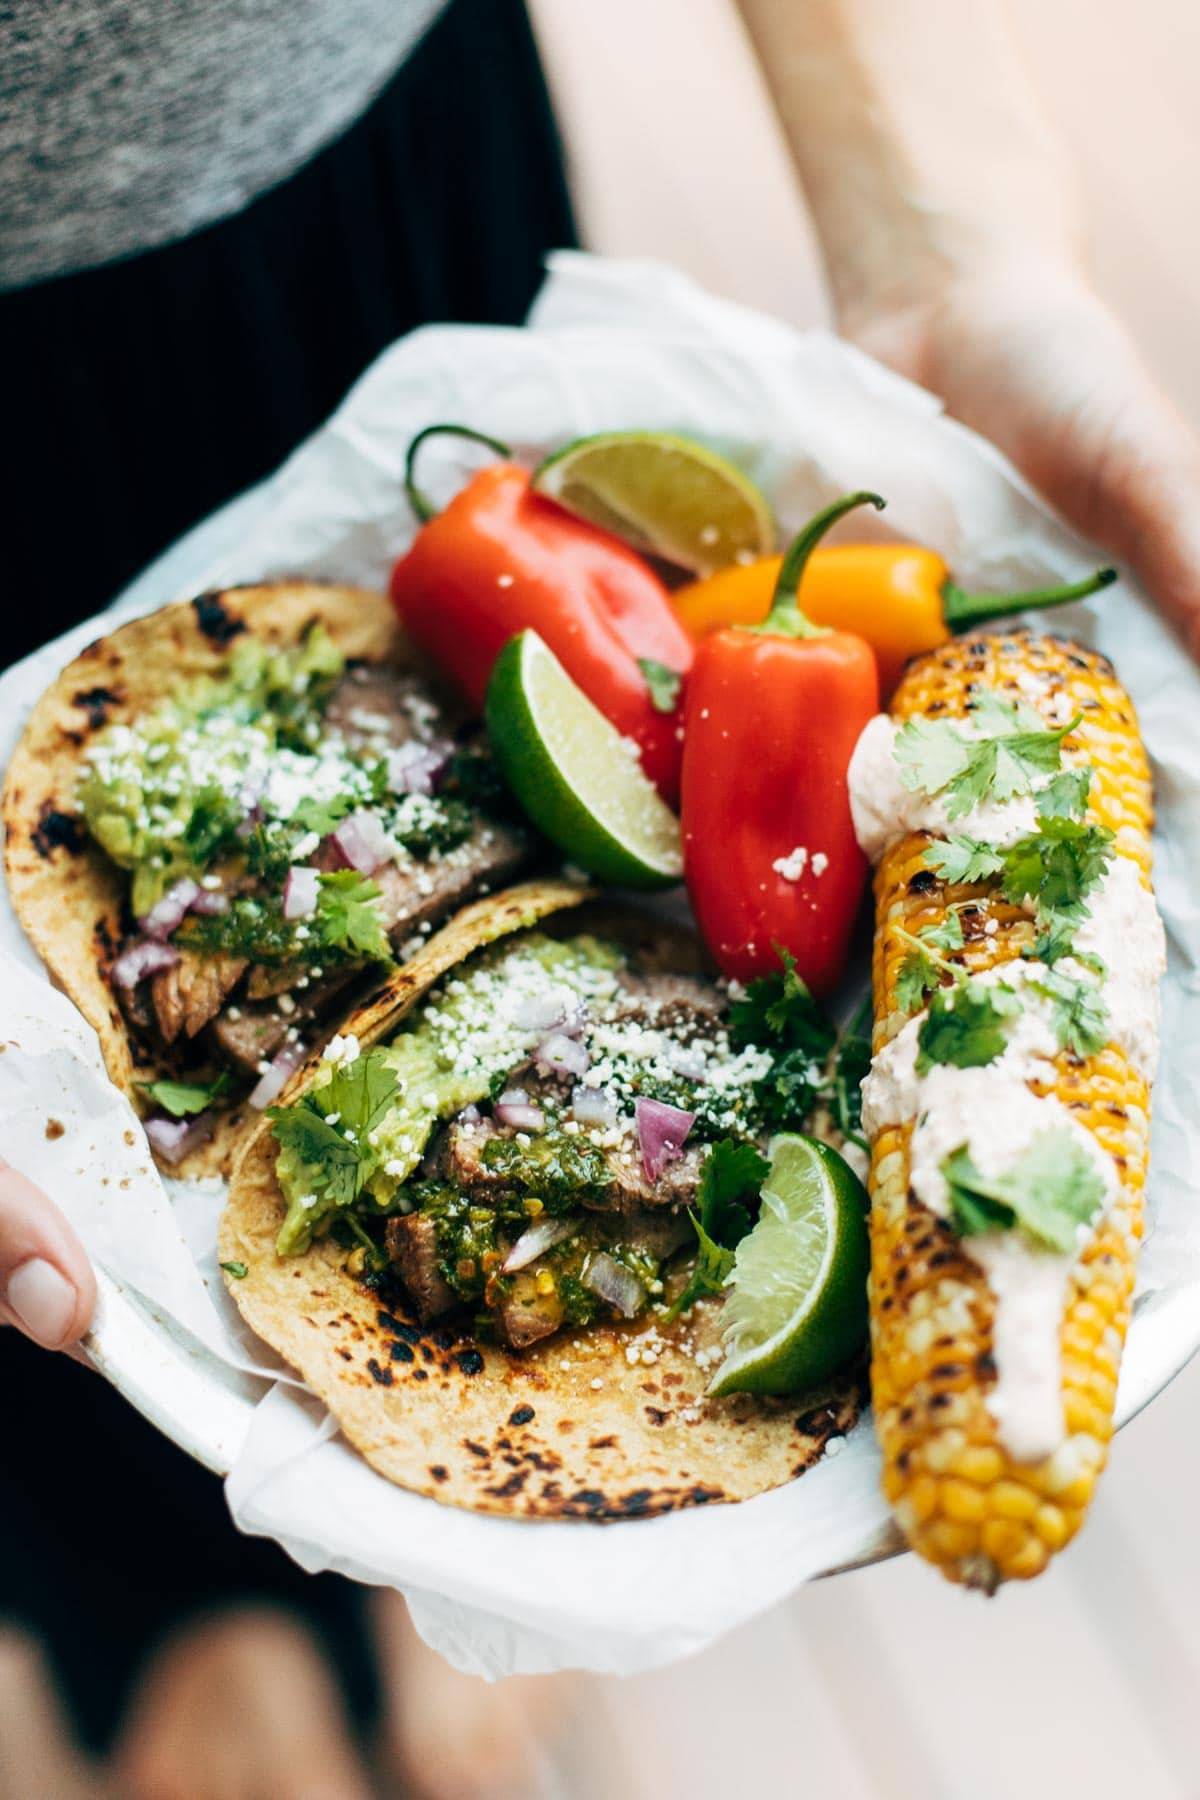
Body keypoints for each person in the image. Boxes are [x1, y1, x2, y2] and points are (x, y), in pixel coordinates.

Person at [3, 0, 1198, 1790]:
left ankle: (399, 1594)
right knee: (51, 1240)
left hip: (370, 155)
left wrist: (958, 246)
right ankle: (179, 1629)